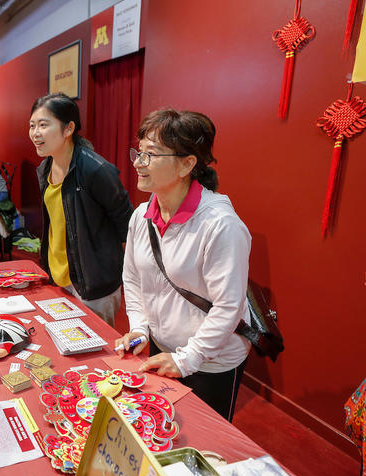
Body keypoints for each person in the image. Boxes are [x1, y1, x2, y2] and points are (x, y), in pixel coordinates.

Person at [116, 108, 251, 421]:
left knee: (201, 445)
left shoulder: (220, 225)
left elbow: (228, 306)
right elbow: (133, 279)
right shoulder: (141, 215)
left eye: (151, 154)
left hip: (209, 360)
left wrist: (188, 359)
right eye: (138, 151)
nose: (137, 162)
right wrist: (139, 329)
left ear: (187, 163)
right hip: (164, 349)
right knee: (157, 429)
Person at [30, 93, 133, 326]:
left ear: (68, 129)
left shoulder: (96, 170)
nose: (35, 133)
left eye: (43, 125)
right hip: (57, 273)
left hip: (93, 282)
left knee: (96, 354)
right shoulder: (45, 168)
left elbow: (127, 224)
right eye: (32, 125)